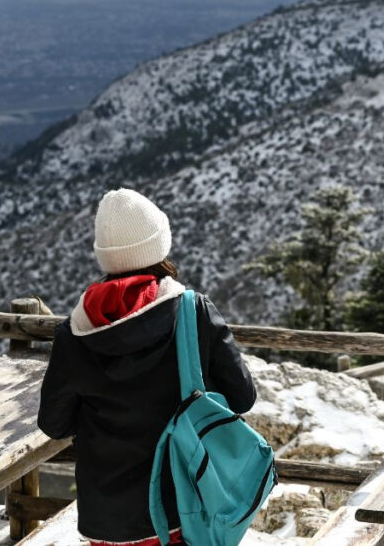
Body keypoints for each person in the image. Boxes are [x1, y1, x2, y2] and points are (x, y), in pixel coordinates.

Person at [38, 188, 256, 546]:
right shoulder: (193, 312)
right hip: (183, 502)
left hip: (105, 516)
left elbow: (54, 424)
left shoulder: (74, 333)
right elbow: (242, 397)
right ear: (160, 247)